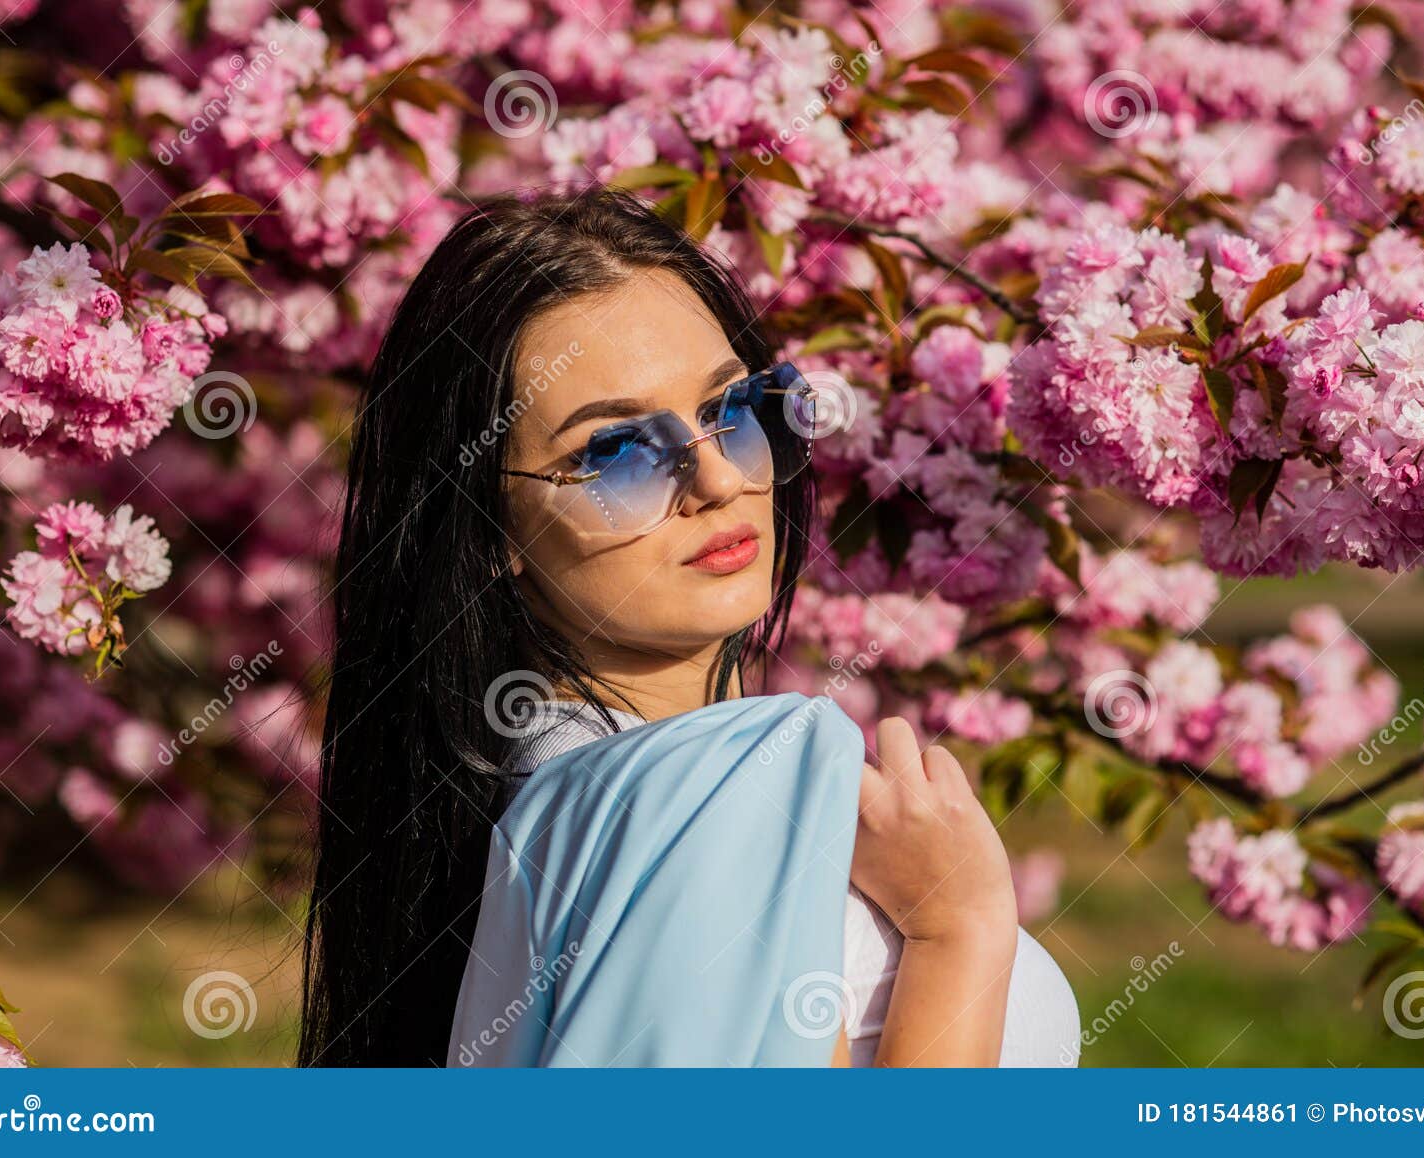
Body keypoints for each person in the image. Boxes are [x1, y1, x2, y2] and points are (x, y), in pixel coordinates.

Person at [299, 186, 1079, 1067]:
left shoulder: (551, 803)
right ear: (485, 533)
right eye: (617, 453)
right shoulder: (699, 792)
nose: (715, 481)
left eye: (732, 409)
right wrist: (957, 926)